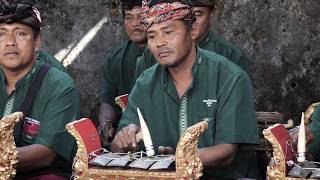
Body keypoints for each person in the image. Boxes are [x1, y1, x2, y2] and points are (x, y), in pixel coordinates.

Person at [112, 0, 261, 179]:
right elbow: (117, 147)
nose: (159, 43)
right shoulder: (145, 83)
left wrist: (175, 158)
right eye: (152, 36)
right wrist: (122, 141)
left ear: (193, 31)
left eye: (168, 32)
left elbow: (226, 152)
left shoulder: (229, 77)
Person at [0, 1, 80, 179]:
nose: (10, 42)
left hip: (41, 173)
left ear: (36, 42)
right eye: (1, 34)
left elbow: (46, 153)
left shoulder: (59, 85)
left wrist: (3, 159)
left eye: (20, 34)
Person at [132, 0, 250, 87]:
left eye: (197, 15)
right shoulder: (153, 52)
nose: (191, 19)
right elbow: (136, 105)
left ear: (212, 13)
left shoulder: (231, 56)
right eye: (184, 15)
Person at [98, 0, 147, 146]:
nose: (135, 23)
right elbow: (108, 100)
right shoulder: (115, 57)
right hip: (124, 134)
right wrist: (105, 124)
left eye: (141, 17)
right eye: (129, 17)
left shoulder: (164, 54)